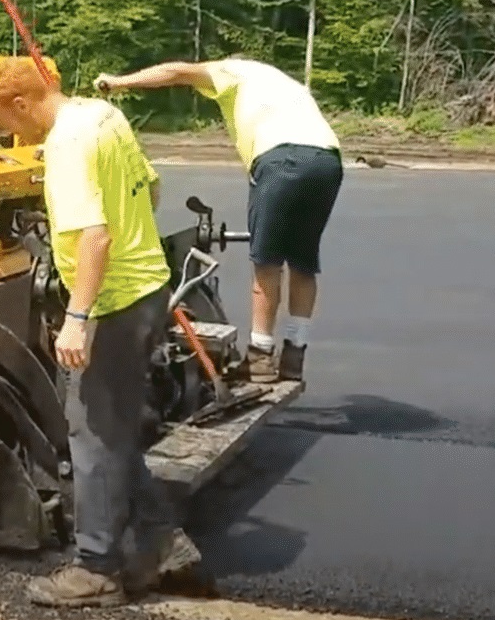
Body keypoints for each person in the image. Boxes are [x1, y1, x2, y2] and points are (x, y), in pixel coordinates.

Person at [0, 57, 178, 608]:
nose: (5, 134)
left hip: (112, 304)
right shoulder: (102, 115)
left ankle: (96, 569)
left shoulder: (65, 146)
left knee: (91, 435)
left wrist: (77, 318)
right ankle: (159, 542)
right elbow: (150, 189)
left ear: (21, 104)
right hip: (147, 287)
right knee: (114, 428)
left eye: (2, 121)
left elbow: (94, 237)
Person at [95, 55, 342, 384]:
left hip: (282, 161)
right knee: (302, 262)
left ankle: (260, 356)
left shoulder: (232, 71)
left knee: (267, 263)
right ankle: (294, 354)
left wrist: (118, 82)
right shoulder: (282, 81)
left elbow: (176, 72)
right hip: (327, 161)